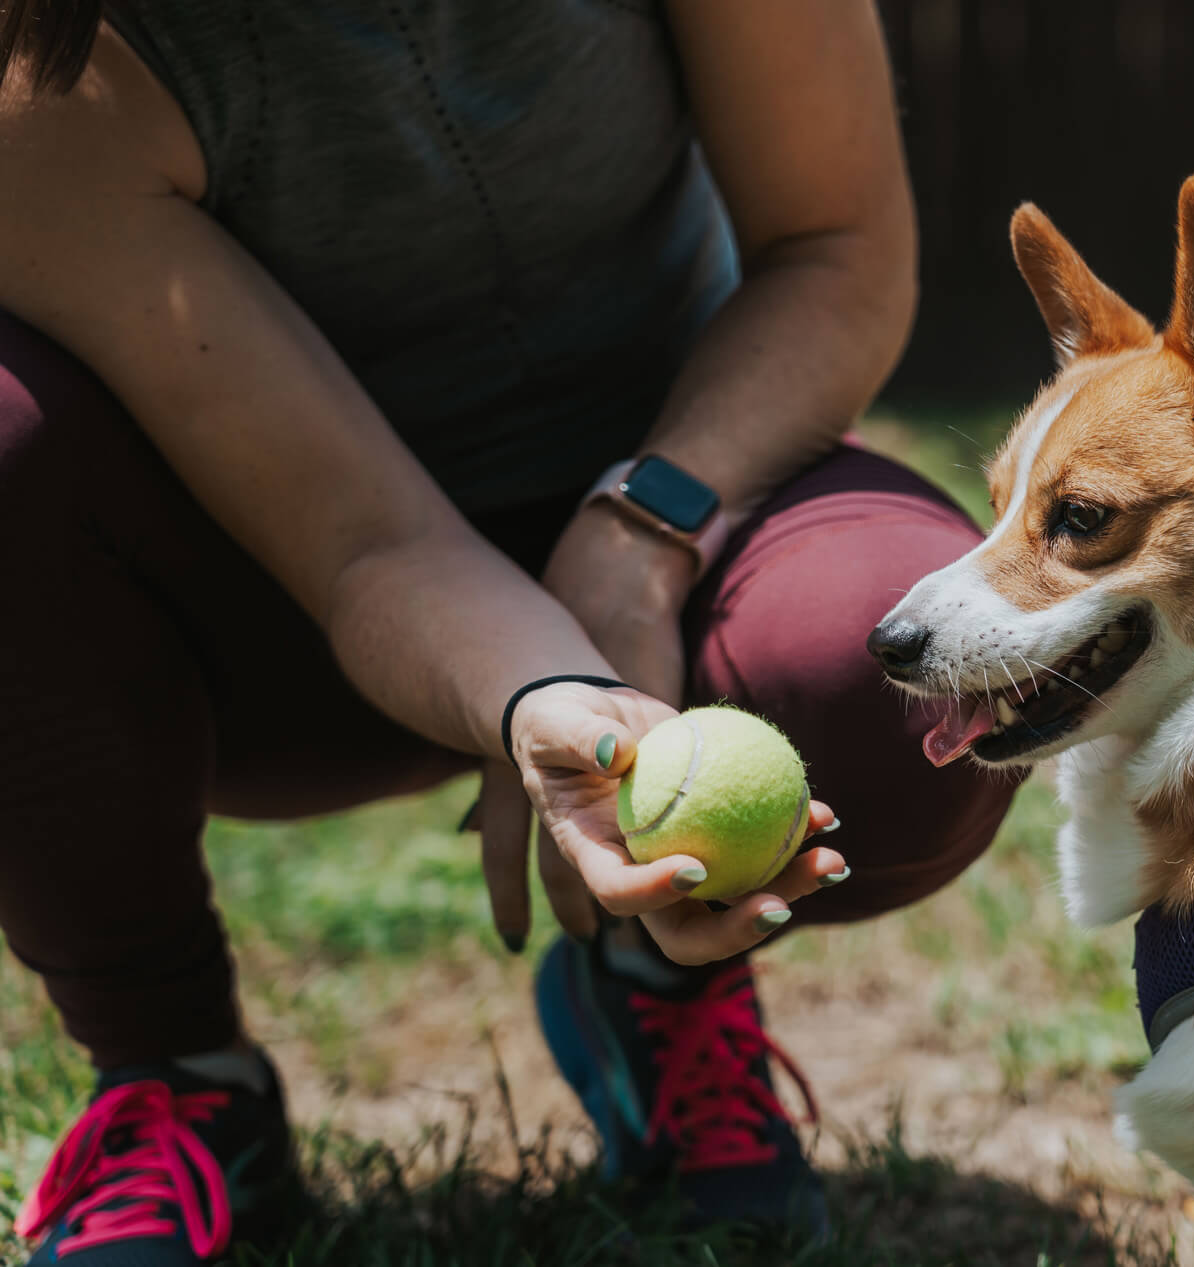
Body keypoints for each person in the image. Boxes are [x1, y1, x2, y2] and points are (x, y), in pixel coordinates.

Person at [0, 1, 1016, 1261]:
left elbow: (836, 247)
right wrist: (539, 687)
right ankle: (176, 1077)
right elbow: (371, 544)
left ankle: (657, 990)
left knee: (880, 658)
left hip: (688, 499)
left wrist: (639, 534)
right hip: (283, 606)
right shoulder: (40, 72)